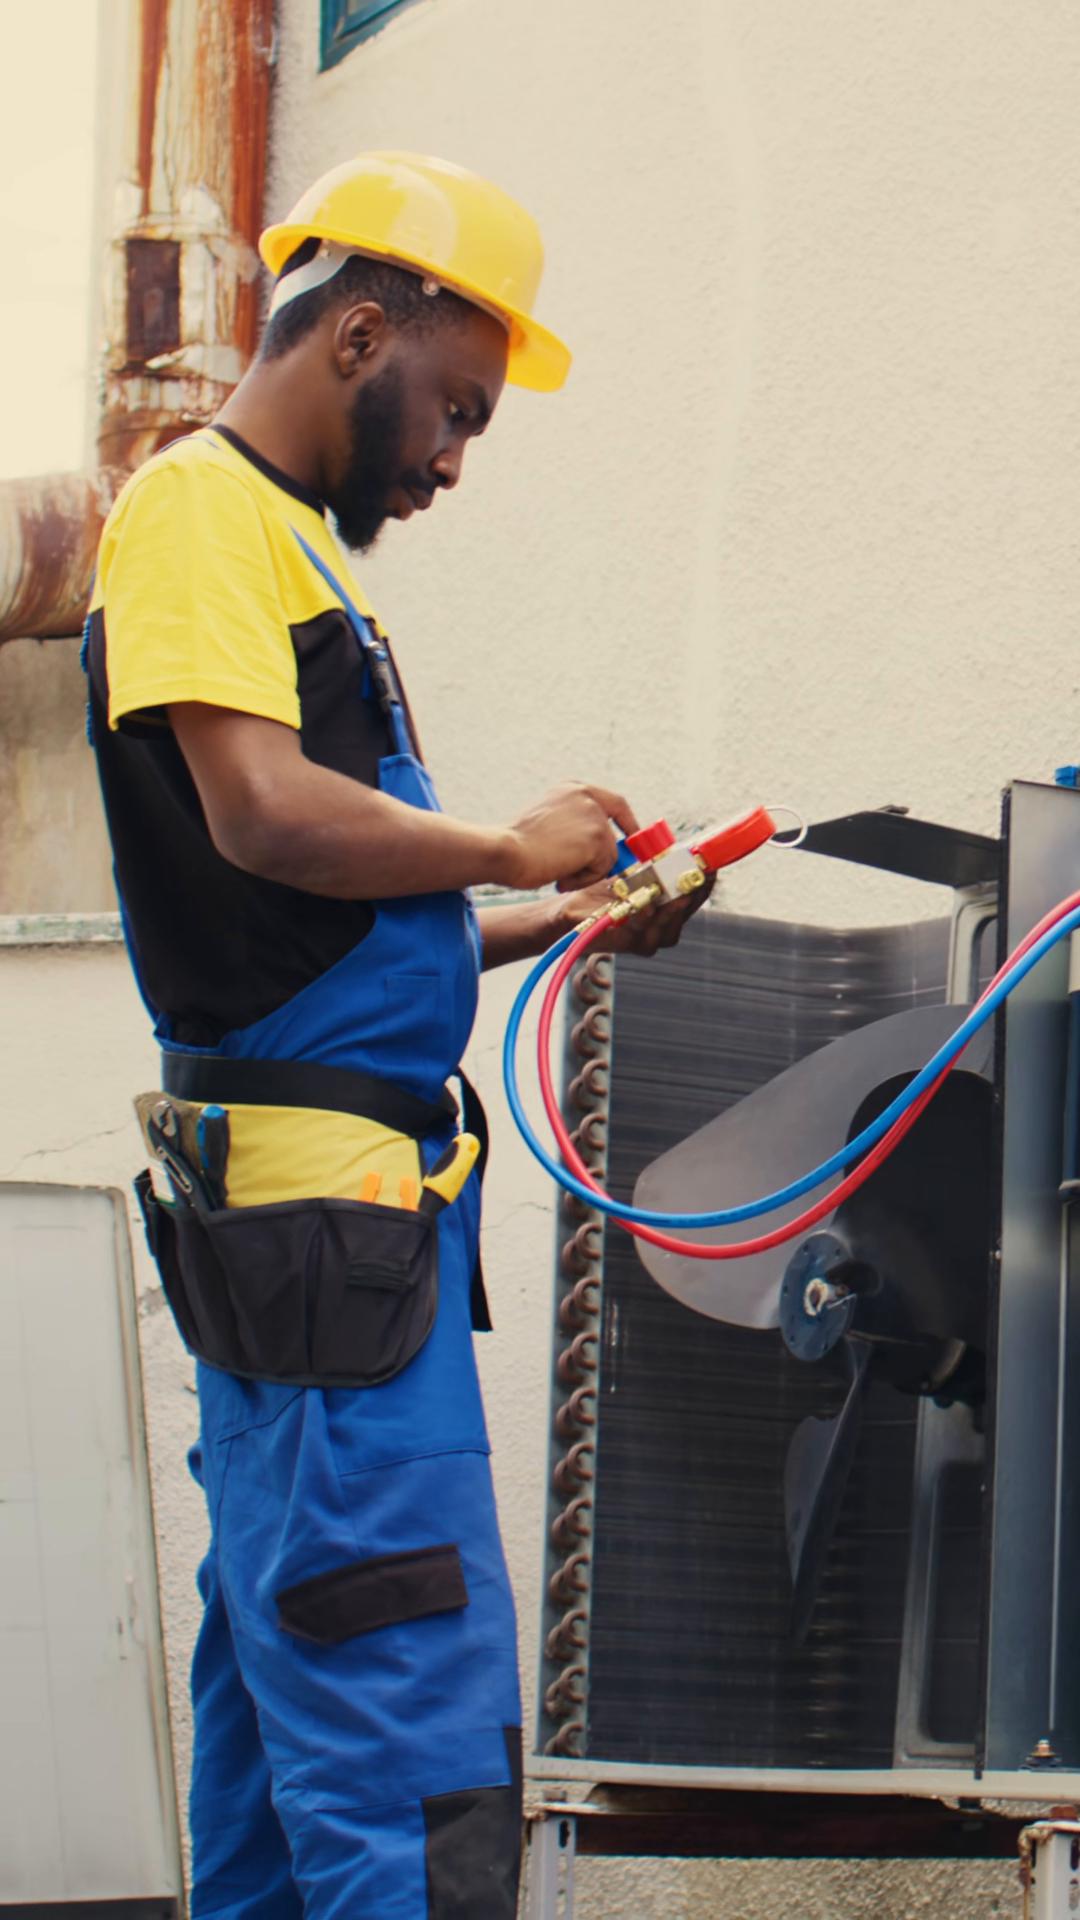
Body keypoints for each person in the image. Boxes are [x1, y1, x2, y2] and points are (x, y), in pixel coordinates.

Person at [84, 152, 707, 1919]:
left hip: (324, 1227)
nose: (450, 461)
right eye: (456, 410)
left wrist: (558, 917)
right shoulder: (199, 511)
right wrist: (505, 844)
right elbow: (264, 817)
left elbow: (330, 930)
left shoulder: (282, 547)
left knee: (288, 1704)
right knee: (400, 1704)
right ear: (361, 333)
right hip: (328, 1237)